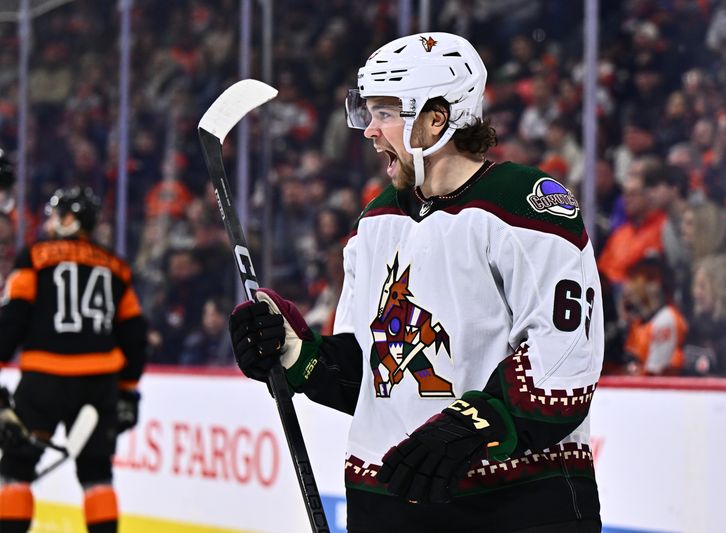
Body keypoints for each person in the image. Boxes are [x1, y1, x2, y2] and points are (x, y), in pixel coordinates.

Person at [229, 32, 603, 532]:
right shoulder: (376, 220)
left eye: (385, 113)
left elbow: (565, 362)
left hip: (512, 507)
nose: (370, 130)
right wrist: (298, 355)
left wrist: (473, 425)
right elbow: (372, 376)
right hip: (389, 506)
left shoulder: (525, 204)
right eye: (368, 112)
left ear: (436, 120)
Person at [0, 187, 147, 533]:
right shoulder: (118, 267)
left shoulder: (34, 256)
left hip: (43, 383)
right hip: (99, 386)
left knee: (16, 470)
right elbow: (134, 336)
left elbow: (13, 321)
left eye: (55, 216)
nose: (51, 223)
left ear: (69, 218)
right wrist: (126, 390)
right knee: (97, 475)